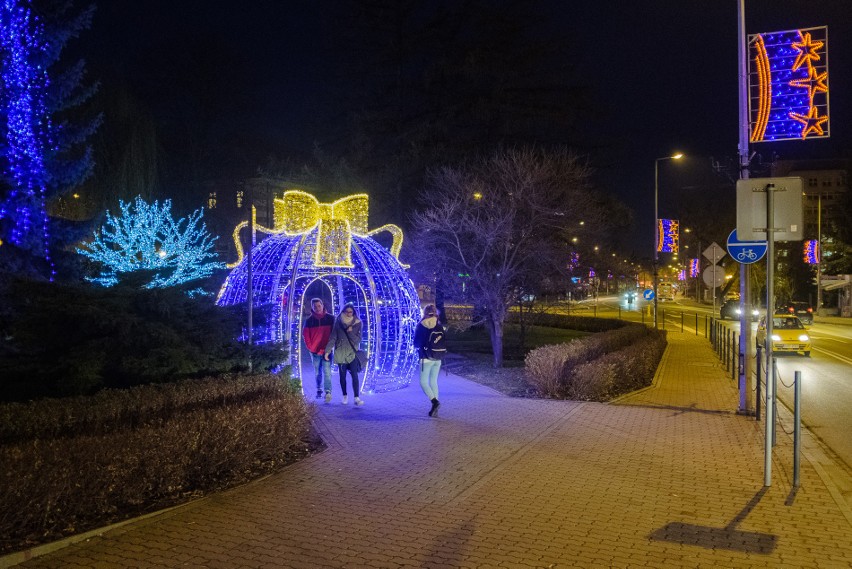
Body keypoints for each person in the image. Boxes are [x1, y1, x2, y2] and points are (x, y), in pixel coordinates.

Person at [325, 302, 365, 406]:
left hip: (352, 353)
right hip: (341, 352)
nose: (348, 314)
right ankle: (345, 396)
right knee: (342, 376)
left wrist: (350, 332)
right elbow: (333, 337)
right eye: (346, 312)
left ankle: (356, 397)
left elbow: (358, 340)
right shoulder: (338, 322)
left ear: (353, 312)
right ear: (343, 312)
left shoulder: (358, 323)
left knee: (354, 375)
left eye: (350, 312)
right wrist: (328, 350)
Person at [413, 304, 446, 417]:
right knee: (433, 382)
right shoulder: (439, 325)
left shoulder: (421, 325)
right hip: (438, 357)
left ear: (425, 312)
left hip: (426, 357)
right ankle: (435, 408)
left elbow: (416, 343)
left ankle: (435, 402)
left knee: (423, 382)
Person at [302, 298, 334, 403]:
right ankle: (319, 389)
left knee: (327, 372)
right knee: (317, 372)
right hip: (314, 352)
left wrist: (327, 349)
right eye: (315, 307)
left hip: (327, 351)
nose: (317, 308)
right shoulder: (309, 321)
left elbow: (334, 335)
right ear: (312, 307)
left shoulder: (331, 319)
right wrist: (313, 349)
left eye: (319, 306)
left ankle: (328, 392)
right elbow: (306, 336)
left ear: (322, 305)